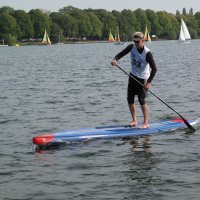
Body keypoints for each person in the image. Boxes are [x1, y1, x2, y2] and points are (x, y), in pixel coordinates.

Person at [111, 32, 157, 129]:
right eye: (134, 41)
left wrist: (148, 82)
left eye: (138, 41)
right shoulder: (131, 47)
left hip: (143, 79)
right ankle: (134, 120)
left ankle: (146, 123)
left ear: (142, 41)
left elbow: (154, 69)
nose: (136, 43)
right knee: (130, 99)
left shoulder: (147, 53)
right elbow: (120, 54)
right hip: (132, 77)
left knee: (141, 100)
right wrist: (115, 59)